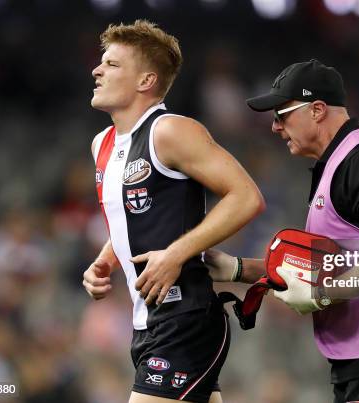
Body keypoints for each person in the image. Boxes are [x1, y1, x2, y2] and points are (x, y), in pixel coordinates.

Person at [206, 59, 359, 403]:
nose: (274, 127)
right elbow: (327, 264)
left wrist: (323, 295)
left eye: (282, 115)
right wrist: (238, 269)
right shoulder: (339, 161)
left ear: (317, 110)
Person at [82, 20, 265, 403]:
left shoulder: (170, 131)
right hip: (147, 323)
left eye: (112, 64)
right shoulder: (102, 144)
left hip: (185, 317)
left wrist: (177, 253)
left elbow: (246, 197)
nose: (97, 70)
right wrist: (107, 257)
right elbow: (137, 218)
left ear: (146, 80)